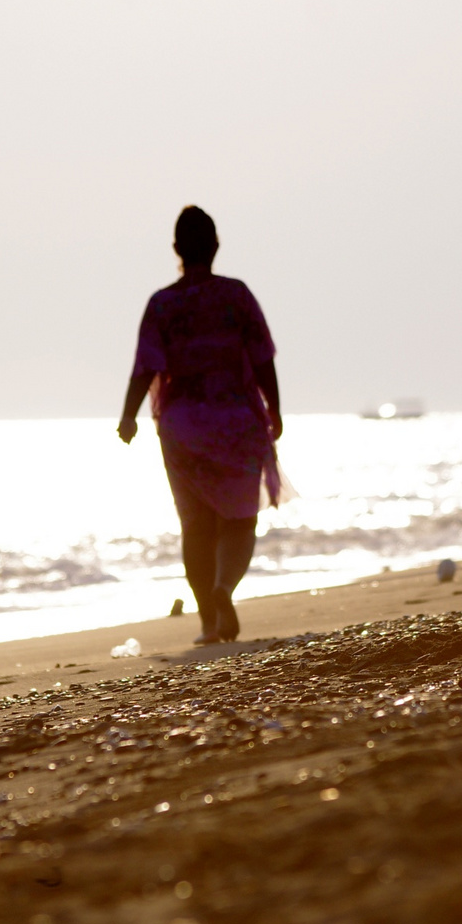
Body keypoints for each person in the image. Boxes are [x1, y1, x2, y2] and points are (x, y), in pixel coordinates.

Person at [117, 206, 284, 644]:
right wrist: (275, 408)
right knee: (238, 520)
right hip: (236, 421)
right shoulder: (236, 296)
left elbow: (145, 367)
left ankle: (209, 622)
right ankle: (223, 588)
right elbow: (262, 356)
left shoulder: (162, 304)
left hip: (183, 424)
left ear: (176, 249)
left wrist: (128, 414)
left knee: (195, 526)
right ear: (215, 245)